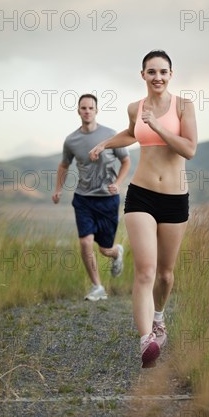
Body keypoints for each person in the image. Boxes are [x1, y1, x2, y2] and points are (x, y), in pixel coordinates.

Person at [89, 50, 197, 367]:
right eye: (151, 72)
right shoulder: (136, 108)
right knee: (146, 271)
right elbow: (132, 133)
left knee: (165, 275)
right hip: (141, 195)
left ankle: (159, 317)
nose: (158, 77)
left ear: (171, 74)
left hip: (175, 198)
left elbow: (189, 149)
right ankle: (146, 339)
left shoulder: (183, 106)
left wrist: (159, 127)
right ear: (143, 75)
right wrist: (104, 143)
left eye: (163, 72)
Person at [52, 93, 131, 301]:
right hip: (83, 198)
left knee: (105, 249)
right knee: (86, 242)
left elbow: (126, 161)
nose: (87, 111)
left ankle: (116, 252)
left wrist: (117, 183)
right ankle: (97, 287)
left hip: (107, 199)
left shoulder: (111, 136)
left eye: (90, 108)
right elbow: (64, 165)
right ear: (78, 111)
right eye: (83, 108)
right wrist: (58, 189)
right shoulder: (71, 140)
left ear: (96, 110)